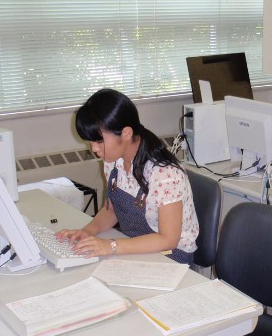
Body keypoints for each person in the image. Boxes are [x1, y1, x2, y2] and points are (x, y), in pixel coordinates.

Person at [56, 88, 198, 264]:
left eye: (99, 141)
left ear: (126, 133)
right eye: (90, 142)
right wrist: (87, 232)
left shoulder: (165, 175)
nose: (94, 148)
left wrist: (111, 246)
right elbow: (111, 210)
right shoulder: (113, 161)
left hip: (171, 256)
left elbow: (168, 240)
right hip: (135, 248)